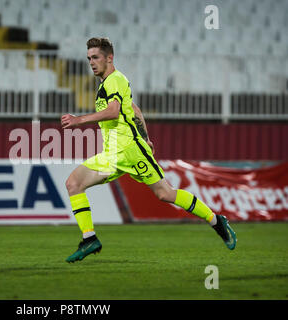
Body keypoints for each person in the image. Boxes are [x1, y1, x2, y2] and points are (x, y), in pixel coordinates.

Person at [60, 37, 237, 263]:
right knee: (73, 183)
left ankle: (216, 220)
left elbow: (114, 111)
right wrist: (146, 138)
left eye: (95, 57)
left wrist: (79, 120)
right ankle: (89, 239)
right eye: (89, 59)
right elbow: (133, 109)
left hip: (129, 151)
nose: (91, 63)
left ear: (109, 58)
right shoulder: (108, 83)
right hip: (115, 153)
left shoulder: (115, 79)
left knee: (165, 193)